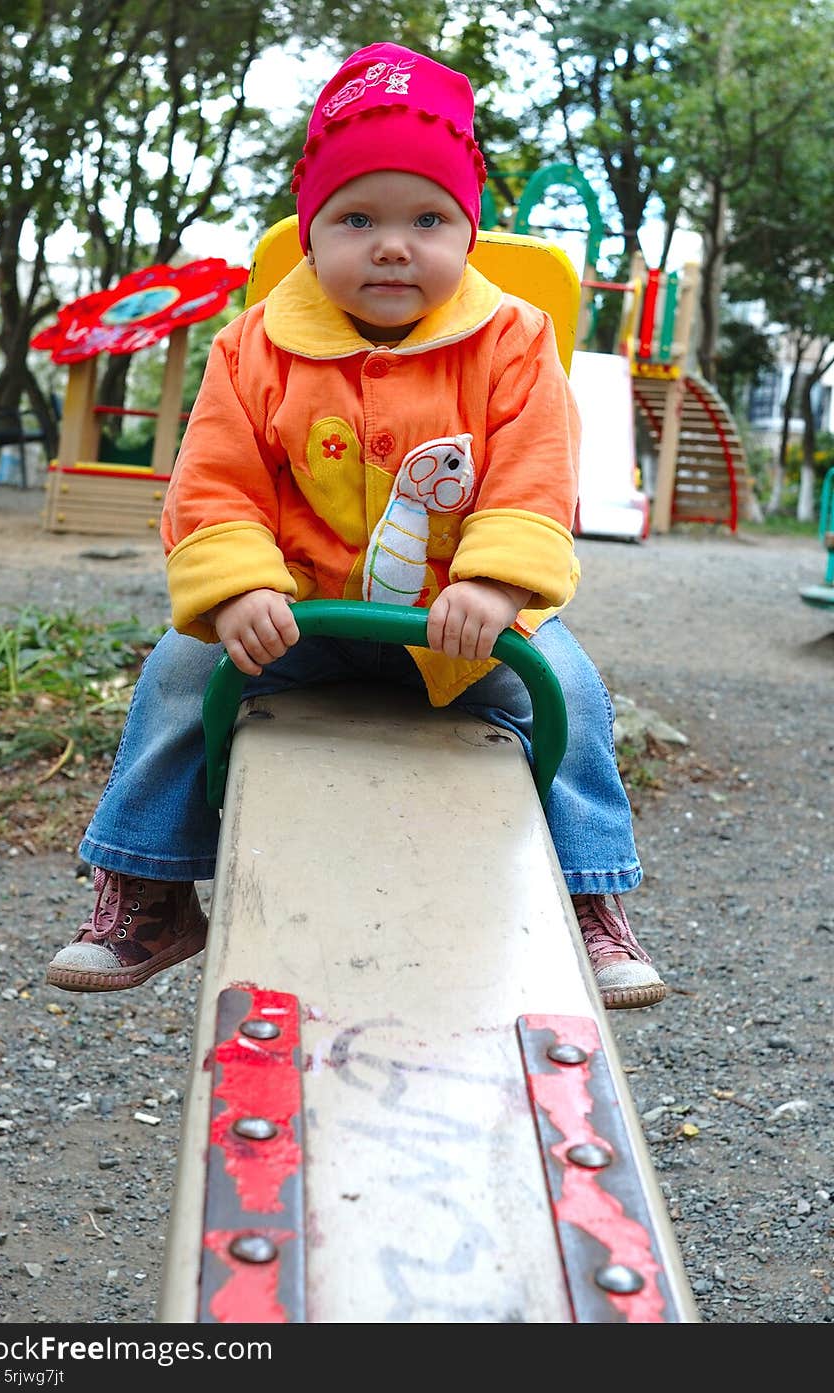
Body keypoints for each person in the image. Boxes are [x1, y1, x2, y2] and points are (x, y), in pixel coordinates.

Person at [46, 42, 666, 1010]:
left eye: (426, 218)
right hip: (298, 623)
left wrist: (495, 584)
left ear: (467, 229)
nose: (391, 245)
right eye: (356, 219)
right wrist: (241, 587)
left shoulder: (509, 341)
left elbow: (538, 467)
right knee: (176, 668)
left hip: (459, 632)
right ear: (309, 231)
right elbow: (215, 479)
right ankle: (152, 886)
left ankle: (587, 898)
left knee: (573, 692)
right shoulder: (255, 346)